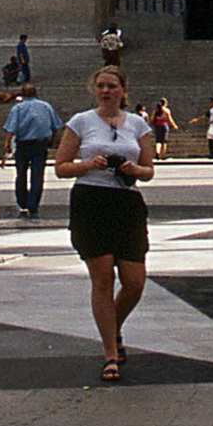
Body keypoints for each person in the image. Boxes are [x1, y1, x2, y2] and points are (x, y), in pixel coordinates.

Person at [53, 66, 155, 382]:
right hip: (90, 201)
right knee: (102, 278)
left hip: (126, 203)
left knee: (135, 281)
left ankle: (114, 326)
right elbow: (61, 167)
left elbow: (149, 170)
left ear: (124, 90)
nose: (106, 91)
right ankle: (111, 352)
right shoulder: (81, 122)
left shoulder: (139, 125)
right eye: (101, 86)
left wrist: (133, 169)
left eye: (112, 86)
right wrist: (88, 164)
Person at [4, 85, 63, 219]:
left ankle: (22, 202)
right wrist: (54, 141)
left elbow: (11, 128)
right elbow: (56, 126)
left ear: (23, 94)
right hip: (40, 144)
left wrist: (7, 143)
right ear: (36, 93)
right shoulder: (46, 106)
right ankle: (33, 204)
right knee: (37, 174)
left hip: (23, 144)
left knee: (21, 173)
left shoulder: (18, 108)